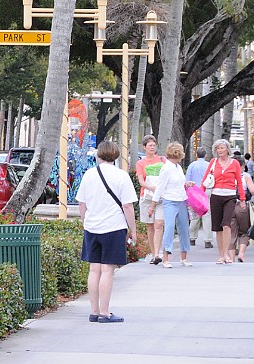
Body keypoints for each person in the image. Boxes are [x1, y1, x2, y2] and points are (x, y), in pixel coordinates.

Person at [77, 140, 137, 323]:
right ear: (116, 155)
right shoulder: (121, 176)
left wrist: (84, 221)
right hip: (114, 227)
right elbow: (127, 205)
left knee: (94, 270)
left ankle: (94, 311)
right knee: (107, 270)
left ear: (99, 155)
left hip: (92, 227)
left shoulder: (89, 175)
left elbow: (82, 203)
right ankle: (105, 312)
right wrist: (132, 229)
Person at [202, 138, 246, 264]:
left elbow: (239, 182)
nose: (220, 150)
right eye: (217, 148)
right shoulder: (213, 162)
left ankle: (227, 254)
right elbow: (205, 179)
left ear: (227, 149)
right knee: (218, 228)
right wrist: (200, 195)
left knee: (226, 225)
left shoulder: (235, 163)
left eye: (222, 148)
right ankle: (221, 255)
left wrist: (242, 199)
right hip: (216, 196)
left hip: (230, 196)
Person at [150, 142, 193, 268]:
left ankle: (183, 258)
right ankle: (166, 258)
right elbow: (159, 188)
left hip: (181, 200)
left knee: (184, 228)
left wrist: (187, 184)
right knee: (169, 228)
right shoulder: (166, 168)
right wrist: (153, 206)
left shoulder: (177, 167)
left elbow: (179, 183)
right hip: (169, 201)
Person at [136, 135, 165, 264]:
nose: (152, 147)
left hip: (161, 197)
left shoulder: (162, 160)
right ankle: (154, 254)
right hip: (147, 196)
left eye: (154, 145)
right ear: (144, 147)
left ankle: (158, 252)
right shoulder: (140, 163)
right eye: (150, 146)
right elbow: (141, 181)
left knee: (159, 224)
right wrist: (151, 187)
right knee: (150, 226)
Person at [229, 165, 254, 262]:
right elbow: (253, 191)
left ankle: (231, 258)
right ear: (242, 166)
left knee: (231, 233)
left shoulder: (228, 175)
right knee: (244, 232)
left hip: (229, 205)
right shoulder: (246, 176)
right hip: (242, 206)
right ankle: (241, 253)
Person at [186, 147, 212, 247]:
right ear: (205, 155)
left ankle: (192, 238)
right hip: (205, 192)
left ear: (196, 155)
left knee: (194, 216)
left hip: (194, 193)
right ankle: (207, 240)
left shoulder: (192, 165)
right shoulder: (208, 165)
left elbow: (187, 180)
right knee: (207, 216)